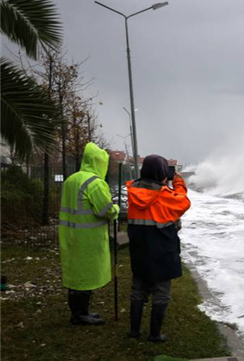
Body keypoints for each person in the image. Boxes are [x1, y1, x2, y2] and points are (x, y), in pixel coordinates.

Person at [127, 155, 191, 342]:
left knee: (138, 289)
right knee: (161, 292)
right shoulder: (165, 195)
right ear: (163, 173)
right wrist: (178, 183)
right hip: (161, 251)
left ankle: (134, 331)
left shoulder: (133, 191)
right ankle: (154, 334)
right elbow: (183, 202)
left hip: (139, 250)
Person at [59, 142, 119, 326]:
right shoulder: (95, 183)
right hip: (88, 238)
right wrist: (116, 208)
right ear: (100, 163)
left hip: (70, 234)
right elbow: (106, 210)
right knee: (85, 275)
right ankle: (81, 315)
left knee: (75, 275)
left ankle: (78, 312)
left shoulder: (72, 179)